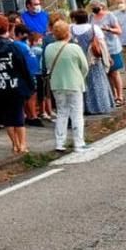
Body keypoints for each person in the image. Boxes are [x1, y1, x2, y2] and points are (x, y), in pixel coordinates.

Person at [0, 15, 36, 154]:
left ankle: (14, 144)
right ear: (8, 28)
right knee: (19, 115)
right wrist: (30, 84)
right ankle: (22, 144)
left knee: (8, 118)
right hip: (15, 85)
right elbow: (22, 67)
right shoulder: (13, 46)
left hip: (0, 86)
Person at [43, 21, 91, 152]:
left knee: (62, 113)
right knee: (76, 114)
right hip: (74, 83)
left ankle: (60, 142)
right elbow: (85, 67)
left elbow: (47, 65)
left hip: (56, 84)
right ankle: (79, 143)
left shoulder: (48, 48)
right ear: (67, 33)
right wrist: (80, 76)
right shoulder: (74, 48)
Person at [70, 9, 115, 115]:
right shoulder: (94, 28)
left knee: (82, 84)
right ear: (87, 18)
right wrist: (108, 57)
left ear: (75, 19)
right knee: (98, 82)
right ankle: (102, 105)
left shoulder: (70, 29)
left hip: (78, 62)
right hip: (93, 60)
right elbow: (102, 44)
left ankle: (85, 107)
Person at [90, 0, 125, 106]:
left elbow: (119, 31)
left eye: (95, 5)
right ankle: (112, 95)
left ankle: (120, 96)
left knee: (114, 73)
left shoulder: (110, 16)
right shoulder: (91, 17)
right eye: (92, 6)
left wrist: (108, 29)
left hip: (112, 48)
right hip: (99, 50)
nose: (94, 7)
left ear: (101, 5)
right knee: (106, 73)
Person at [14, 25, 44, 126]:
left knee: (33, 95)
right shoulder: (17, 45)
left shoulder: (24, 43)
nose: (27, 36)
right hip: (28, 73)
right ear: (19, 34)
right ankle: (32, 116)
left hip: (32, 72)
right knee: (31, 95)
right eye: (24, 34)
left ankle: (31, 115)